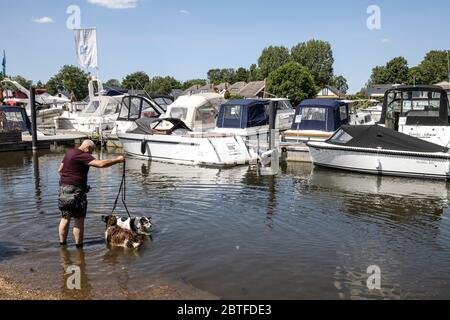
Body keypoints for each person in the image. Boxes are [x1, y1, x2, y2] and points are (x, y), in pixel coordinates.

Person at [58, 140, 124, 248]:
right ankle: (79, 248)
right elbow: (100, 164)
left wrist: (79, 184)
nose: (91, 154)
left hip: (63, 189)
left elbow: (60, 169)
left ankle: (62, 245)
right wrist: (117, 160)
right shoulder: (81, 154)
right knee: (79, 219)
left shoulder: (69, 153)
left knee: (65, 218)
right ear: (88, 147)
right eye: (91, 151)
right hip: (76, 192)